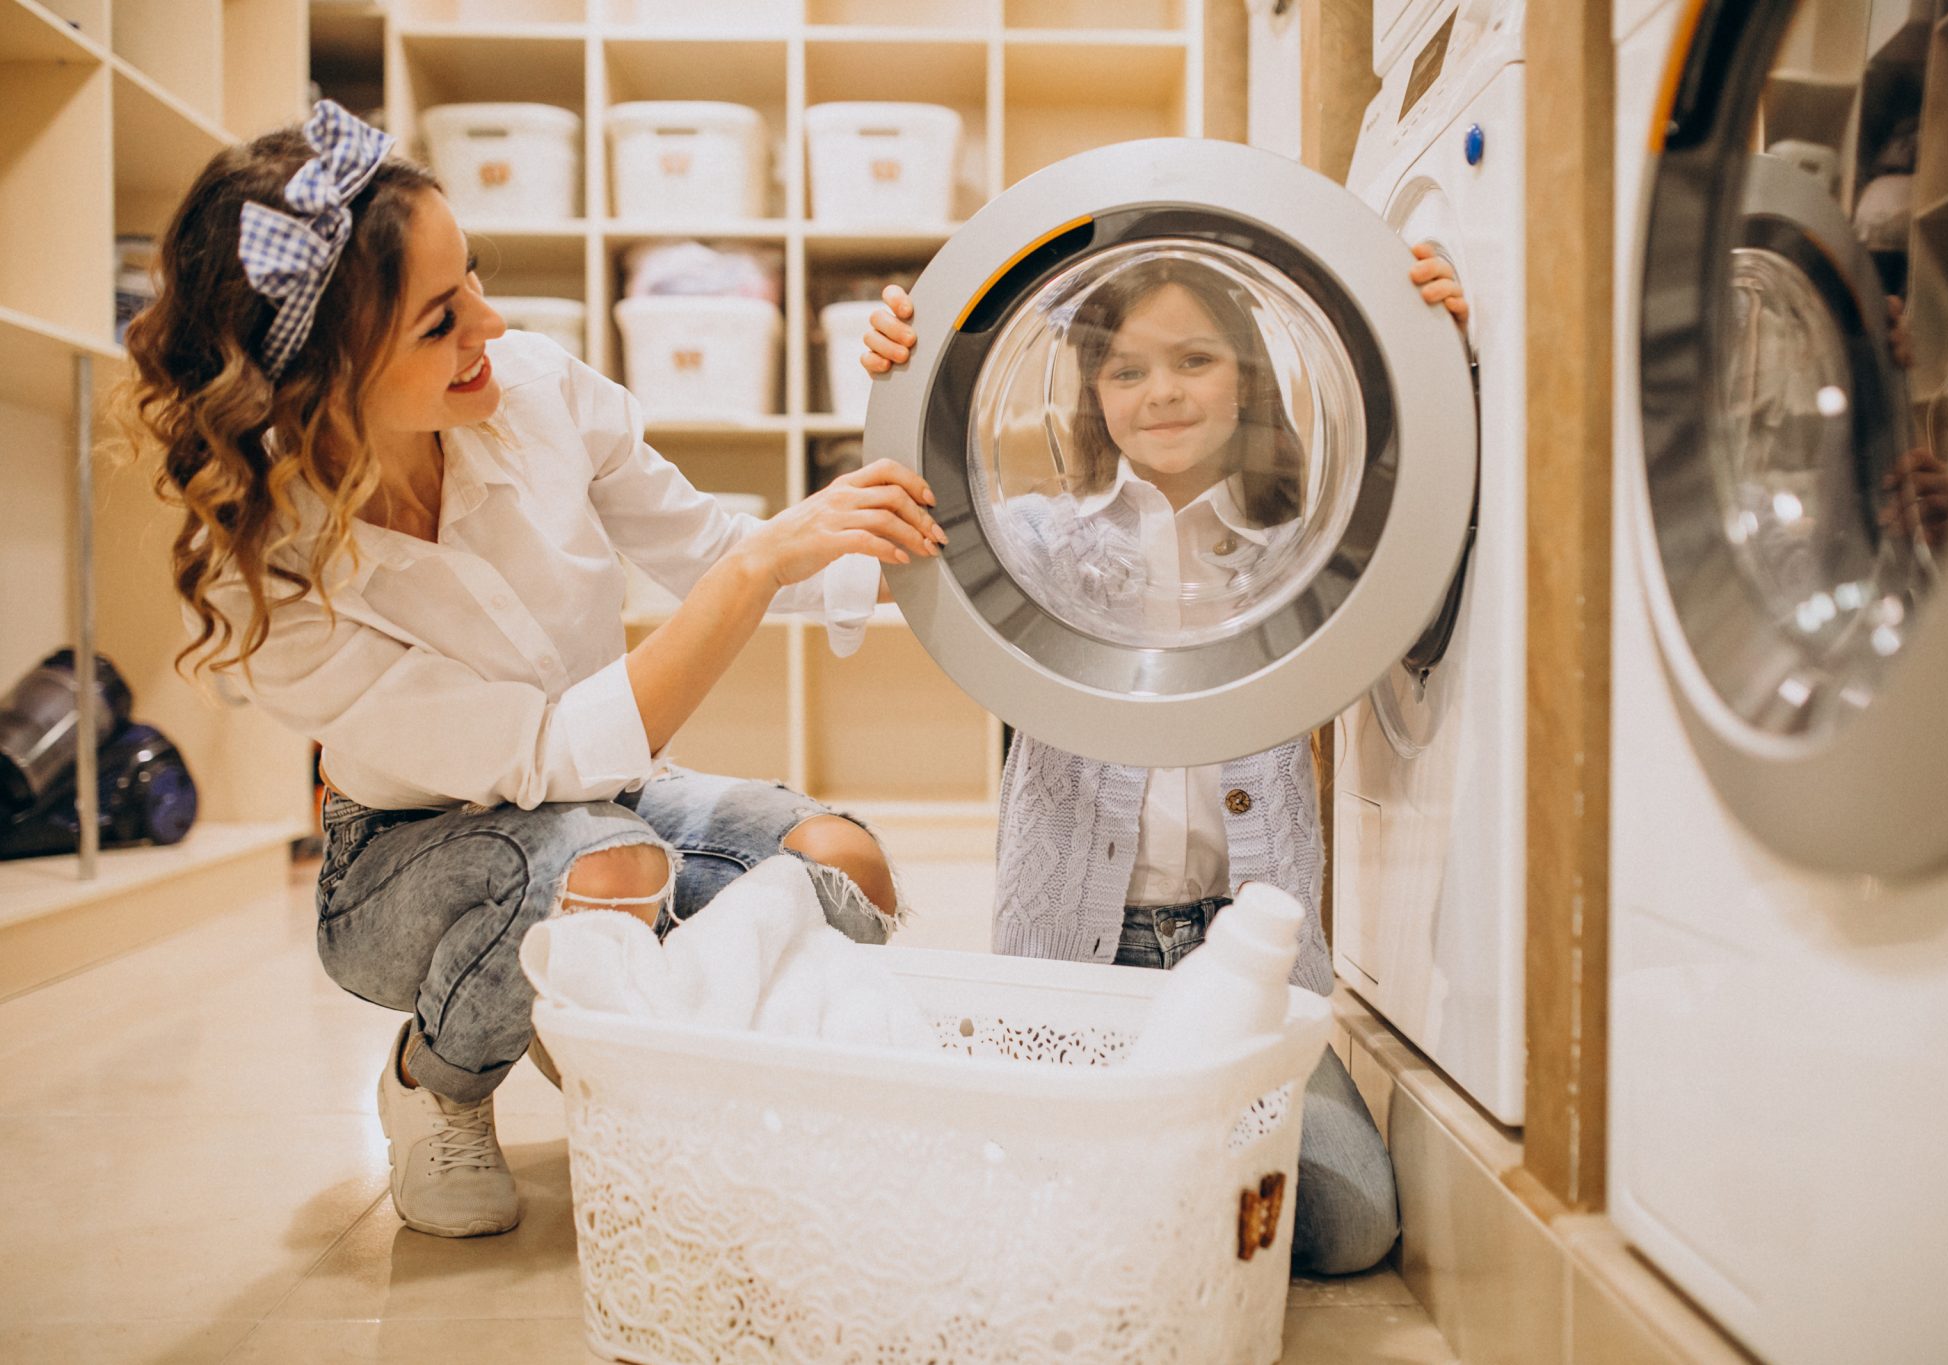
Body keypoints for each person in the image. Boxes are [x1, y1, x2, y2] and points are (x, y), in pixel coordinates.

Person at [119, 102, 948, 1239]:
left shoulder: (536, 389)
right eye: (440, 319)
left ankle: (657, 1057)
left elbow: (708, 548)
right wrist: (752, 573)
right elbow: (545, 753)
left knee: (843, 866)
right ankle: (437, 1084)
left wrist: (911, 422)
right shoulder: (268, 587)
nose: (490, 325)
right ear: (321, 376)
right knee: (594, 864)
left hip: (605, 807)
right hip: (406, 859)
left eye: (476, 279)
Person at [861, 242, 1468, 1275]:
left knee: (1348, 1224)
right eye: (1126, 370)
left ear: (1248, 375)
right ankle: (1154, 1178)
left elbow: (1435, 553)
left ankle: (1156, 1174)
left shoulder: (1310, 542)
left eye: (1195, 360)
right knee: (1032, 1221)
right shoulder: (1035, 541)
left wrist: (1447, 359)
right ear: (1093, 394)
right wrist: (897, 370)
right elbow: (904, 523)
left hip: (1250, 965)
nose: (1161, 393)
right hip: (1080, 965)